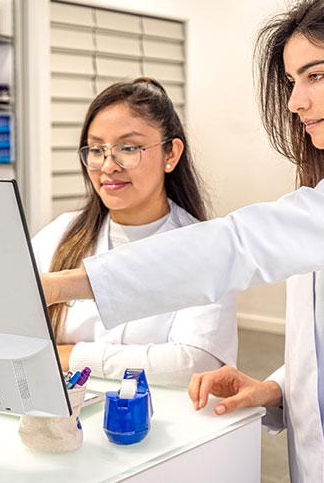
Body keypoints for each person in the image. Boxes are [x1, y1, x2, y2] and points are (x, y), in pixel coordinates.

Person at [39, 0, 324, 482]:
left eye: (317, 75)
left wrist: (64, 285)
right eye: (293, 81)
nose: (296, 101)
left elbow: (243, 243)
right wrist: (275, 388)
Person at [33, 77, 237, 387]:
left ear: (171, 154)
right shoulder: (61, 234)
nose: (108, 165)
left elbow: (194, 362)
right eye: (97, 149)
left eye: (128, 148)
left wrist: (71, 356)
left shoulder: (203, 248)